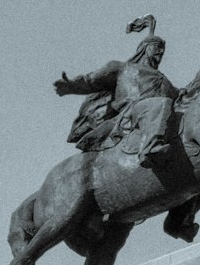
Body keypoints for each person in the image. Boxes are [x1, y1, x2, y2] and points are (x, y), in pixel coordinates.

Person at [55, 21, 179, 165]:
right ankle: (150, 149)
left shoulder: (165, 81)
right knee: (161, 104)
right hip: (132, 114)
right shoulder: (122, 68)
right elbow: (92, 80)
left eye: (163, 49)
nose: (161, 52)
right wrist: (72, 86)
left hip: (157, 114)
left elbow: (181, 97)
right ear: (145, 48)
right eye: (157, 47)